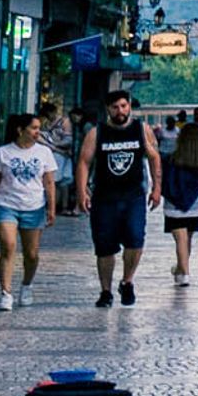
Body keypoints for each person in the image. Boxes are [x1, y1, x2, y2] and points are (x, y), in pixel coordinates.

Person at [76, 89, 158, 309]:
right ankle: (105, 291)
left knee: (135, 239)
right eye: (115, 107)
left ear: (129, 105)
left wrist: (157, 188)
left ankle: (127, 281)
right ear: (107, 109)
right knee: (105, 247)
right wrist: (82, 191)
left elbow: (154, 157)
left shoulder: (142, 130)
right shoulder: (97, 133)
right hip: (104, 197)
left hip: (134, 196)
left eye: (123, 106)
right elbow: (84, 162)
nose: (120, 111)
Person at [0, 112, 61, 310]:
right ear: (21, 130)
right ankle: (6, 293)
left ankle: (26, 285)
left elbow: (49, 182)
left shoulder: (44, 153)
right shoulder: (2, 152)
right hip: (6, 205)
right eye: (34, 128)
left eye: (38, 128)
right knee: (8, 246)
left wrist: (52, 208)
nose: (38, 132)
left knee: (31, 254)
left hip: (34, 207)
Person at [160, 110, 198, 286]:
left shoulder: (171, 159)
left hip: (174, 205)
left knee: (180, 238)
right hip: (195, 206)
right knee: (187, 239)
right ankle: (181, 269)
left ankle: (184, 272)